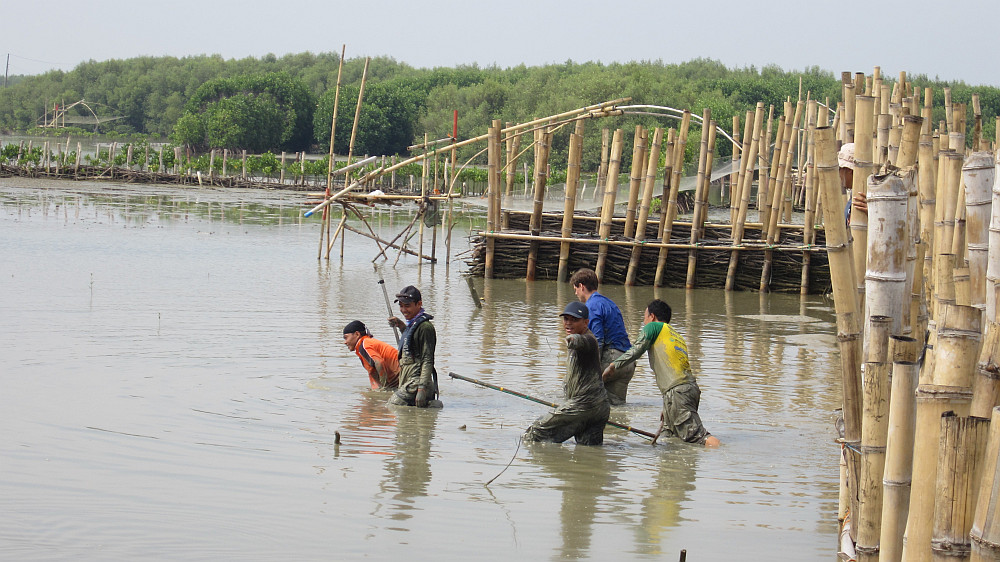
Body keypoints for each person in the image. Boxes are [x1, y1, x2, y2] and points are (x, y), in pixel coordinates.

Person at [602, 299, 720, 447]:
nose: (644, 322)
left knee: (698, 437)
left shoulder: (653, 327)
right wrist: (667, 406)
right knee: (668, 437)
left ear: (652, 317)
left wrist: (613, 366)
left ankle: (726, 456)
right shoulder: (676, 335)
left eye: (644, 318)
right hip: (688, 390)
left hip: (677, 393)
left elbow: (635, 350)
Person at [524, 302, 610, 445]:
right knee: (588, 452)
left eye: (574, 320)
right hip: (599, 407)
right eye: (566, 319)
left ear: (586, 323)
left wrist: (571, 339)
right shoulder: (581, 337)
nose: (568, 324)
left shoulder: (588, 340)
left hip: (583, 405)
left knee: (535, 433)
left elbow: (578, 341)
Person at [569, 268, 635, 405]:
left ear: (581, 286)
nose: (575, 293)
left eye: (575, 289)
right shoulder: (609, 303)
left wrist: (590, 371)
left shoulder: (591, 305)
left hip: (611, 359)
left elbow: (596, 340)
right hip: (627, 362)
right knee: (615, 407)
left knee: (580, 397)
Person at [387, 285, 441, 408]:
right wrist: (401, 326)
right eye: (401, 306)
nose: (403, 310)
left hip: (416, 382)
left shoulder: (425, 328)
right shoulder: (413, 325)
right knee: (406, 423)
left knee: (392, 406)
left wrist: (422, 388)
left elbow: (428, 359)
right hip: (408, 379)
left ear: (419, 304)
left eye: (407, 306)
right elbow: (410, 343)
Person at [342, 320, 400, 390]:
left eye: (346, 337)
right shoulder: (363, 345)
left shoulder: (365, 344)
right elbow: (372, 372)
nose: (345, 342)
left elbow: (379, 362)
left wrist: (384, 388)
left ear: (357, 334)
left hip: (403, 375)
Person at [838, 142, 868, 223]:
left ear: (849, 171)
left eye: (840, 169)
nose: (839, 174)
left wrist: (873, 214)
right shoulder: (853, 196)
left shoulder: (865, 199)